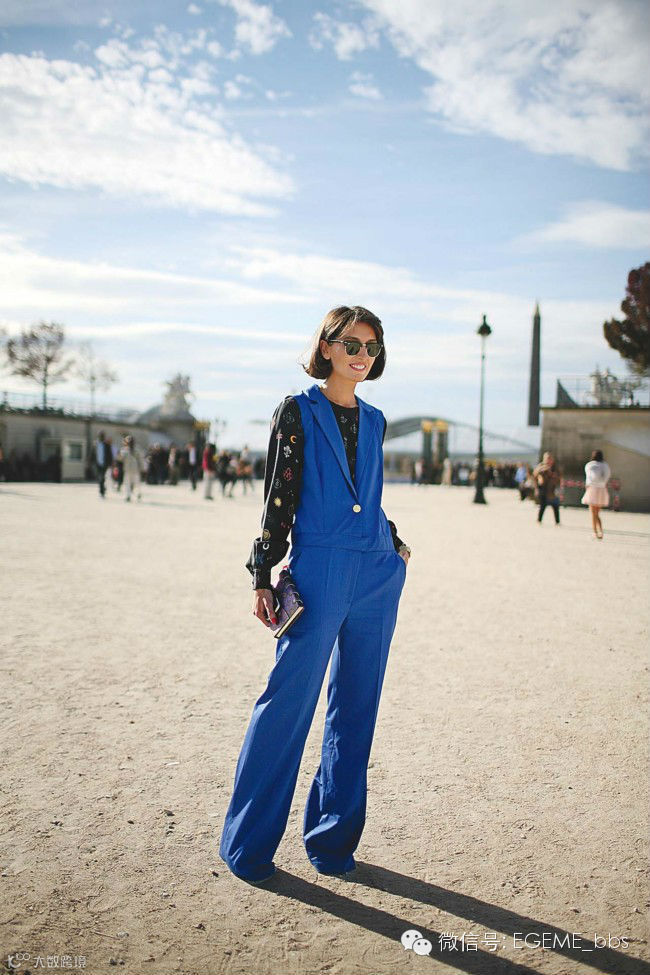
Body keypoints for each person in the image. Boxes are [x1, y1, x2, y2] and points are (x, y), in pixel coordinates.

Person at [219, 305, 410, 885]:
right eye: (352, 343)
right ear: (326, 346)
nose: (362, 355)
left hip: (375, 573)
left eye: (372, 347)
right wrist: (262, 572)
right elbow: (279, 495)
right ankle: (248, 845)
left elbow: (368, 495)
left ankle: (332, 840)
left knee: (357, 706)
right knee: (287, 703)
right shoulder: (297, 410)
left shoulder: (376, 420)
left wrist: (394, 544)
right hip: (319, 567)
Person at [581, 449, 611, 539]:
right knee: (597, 513)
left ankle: (595, 532)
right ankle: (600, 531)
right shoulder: (605, 465)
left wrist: (587, 487)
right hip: (601, 489)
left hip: (592, 489)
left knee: (593, 513)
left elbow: (588, 478)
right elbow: (607, 477)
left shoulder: (590, 465)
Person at [533, 451, 561, 524]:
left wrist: (554, 476)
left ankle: (557, 521)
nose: (549, 460)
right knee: (543, 505)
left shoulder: (555, 468)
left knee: (555, 506)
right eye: (547, 458)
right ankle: (539, 520)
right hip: (543, 489)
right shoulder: (540, 466)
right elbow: (535, 476)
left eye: (550, 458)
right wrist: (536, 488)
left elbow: (559, 477)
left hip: (553, 489)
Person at [119, 434, 143, 502]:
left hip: (135, 470)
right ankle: (128, 496)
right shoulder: (124, 450)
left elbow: (140, 459)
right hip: (127, 469)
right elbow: (120, 459)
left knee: (137, 483)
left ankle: (138, 494)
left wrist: (142, 468)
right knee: (127, 483)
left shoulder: (137, 449)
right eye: (129, 441)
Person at [94, 431, 111, 497]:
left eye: (102, 436)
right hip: (97, 464)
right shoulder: (96, 444)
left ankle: (102, 491)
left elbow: (110, 455)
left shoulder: (107, 445)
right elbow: (93, 453)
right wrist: (89, 461)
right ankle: (102, 488)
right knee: (100, 477)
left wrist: (110, 463)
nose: (101, 437)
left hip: (104, 464)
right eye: (100, 436)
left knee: (102, 477)